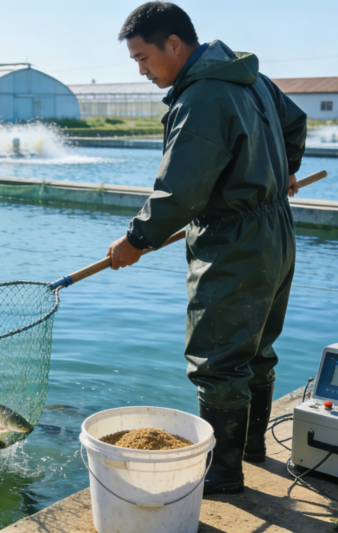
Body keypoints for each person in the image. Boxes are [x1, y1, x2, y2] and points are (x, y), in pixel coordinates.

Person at [108, 2, 307, 494]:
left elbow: (182, 190)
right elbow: (295, 122)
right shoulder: (247, 77)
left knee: (217, 359)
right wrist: (284, 171)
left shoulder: (202, 96)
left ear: (173, 44)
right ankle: (252, 449)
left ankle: (222, 475)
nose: (141, 70)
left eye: (143, 58)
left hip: (232, 240)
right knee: (257, 349)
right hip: (275, 230)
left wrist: (136, 239)